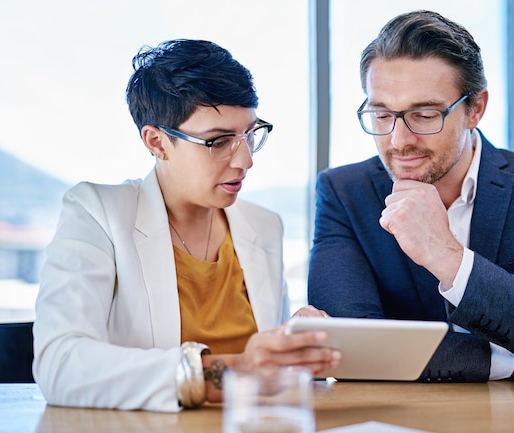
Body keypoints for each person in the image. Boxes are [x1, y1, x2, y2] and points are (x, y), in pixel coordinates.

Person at [307, 10, 514, 386]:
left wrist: (446, 256)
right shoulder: (343, 193)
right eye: (382, 114)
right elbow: (347, 349)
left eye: (424, 114)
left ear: (476, 109)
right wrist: (512, 361)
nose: (399, 141)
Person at [33, 39, 339, 412]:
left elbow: (267, 365)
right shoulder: (97, 213)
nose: (245, 160)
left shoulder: (264, 226)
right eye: (219, 141)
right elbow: (60, 365)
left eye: (250, 134)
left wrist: (293, 344)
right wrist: (235, 369)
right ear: (157, 141)